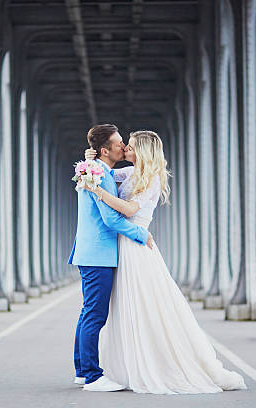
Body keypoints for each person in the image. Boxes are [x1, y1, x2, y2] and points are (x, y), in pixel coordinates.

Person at [82, 130, 247, 394]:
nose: (125, 149)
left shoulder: (153, 179)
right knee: (127, 308)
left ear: (143, 152)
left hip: (137, 247)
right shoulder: (131, 173)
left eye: (132, 146)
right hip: (125, 246)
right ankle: (126, 363)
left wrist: (97, 190)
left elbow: (129, 210)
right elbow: (106, 172)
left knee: (146, 307)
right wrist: (89, 161)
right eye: (126, 145)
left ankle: (155, 363)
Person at [68, 124, 154, 392]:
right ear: (105, 150)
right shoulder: (100, 175)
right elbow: (109, 217)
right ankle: (92, 376)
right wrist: (141, 234)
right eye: (118, 143)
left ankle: (83, 371)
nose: (123, 147)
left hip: (90, 251)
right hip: (99, 253)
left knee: (88, 313)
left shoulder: (94, 170)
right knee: (95, 315)